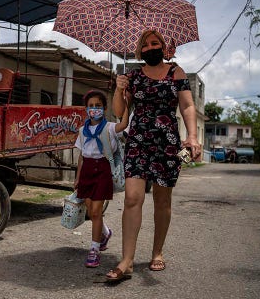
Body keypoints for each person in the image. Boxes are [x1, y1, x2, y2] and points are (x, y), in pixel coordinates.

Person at [105, 30, 201, 281]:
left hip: (167, 144)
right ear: (139, 51)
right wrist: (119, 90)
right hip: (138, 141)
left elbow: (188, 105)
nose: (150, 48)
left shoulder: (175, 72)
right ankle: (126, 261)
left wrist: (192, 136)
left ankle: (157, 252)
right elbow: (120, 114)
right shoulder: (133, 76)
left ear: (164, 46)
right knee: (132, 198)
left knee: (162, 199)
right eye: (145, 45)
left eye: (155, 43)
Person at [74, 90, 129, 268]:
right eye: (91, 106)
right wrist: (77, 178)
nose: (94, 109)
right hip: (87, 171)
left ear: (104, 108)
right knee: (91, 211)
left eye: (98, 106)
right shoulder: (82, 131)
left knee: (97, 211)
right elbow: (82, 155)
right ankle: (105, 233)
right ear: (86, 109)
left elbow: (124, 124)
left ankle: (94, 249)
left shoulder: (110, 128)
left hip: (103, 169)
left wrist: (126, 104)